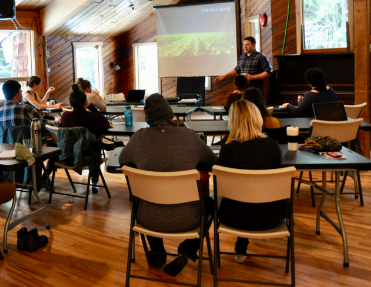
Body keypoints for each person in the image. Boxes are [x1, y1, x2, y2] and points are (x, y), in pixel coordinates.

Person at [119, 94, 217, 276]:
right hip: (189, 218)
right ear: (170, 115)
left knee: (146, 198)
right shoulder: (189, 136)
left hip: (148, 219)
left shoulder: (139, 138)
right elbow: (212, 162)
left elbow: (123, 160)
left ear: (148, 119)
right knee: (211, 204)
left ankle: (157, 256)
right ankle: (188, 249)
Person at [218, 99, 285, 263]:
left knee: (240, 196)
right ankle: (242, 248)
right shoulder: (273, 147)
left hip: (233, 217)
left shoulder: (227, 151)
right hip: (272, 216)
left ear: (232, 121)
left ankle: (240, 248)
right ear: (258, 118)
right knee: (255, 193)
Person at [60, 84, 110, 194]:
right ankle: (95, 181)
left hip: (68, 155)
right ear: (86, 102)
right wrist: (92, 108)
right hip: (89, 156)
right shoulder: (94, 117)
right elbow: (106, 124)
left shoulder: (65, 116)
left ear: (70, 102)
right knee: (95, 144)